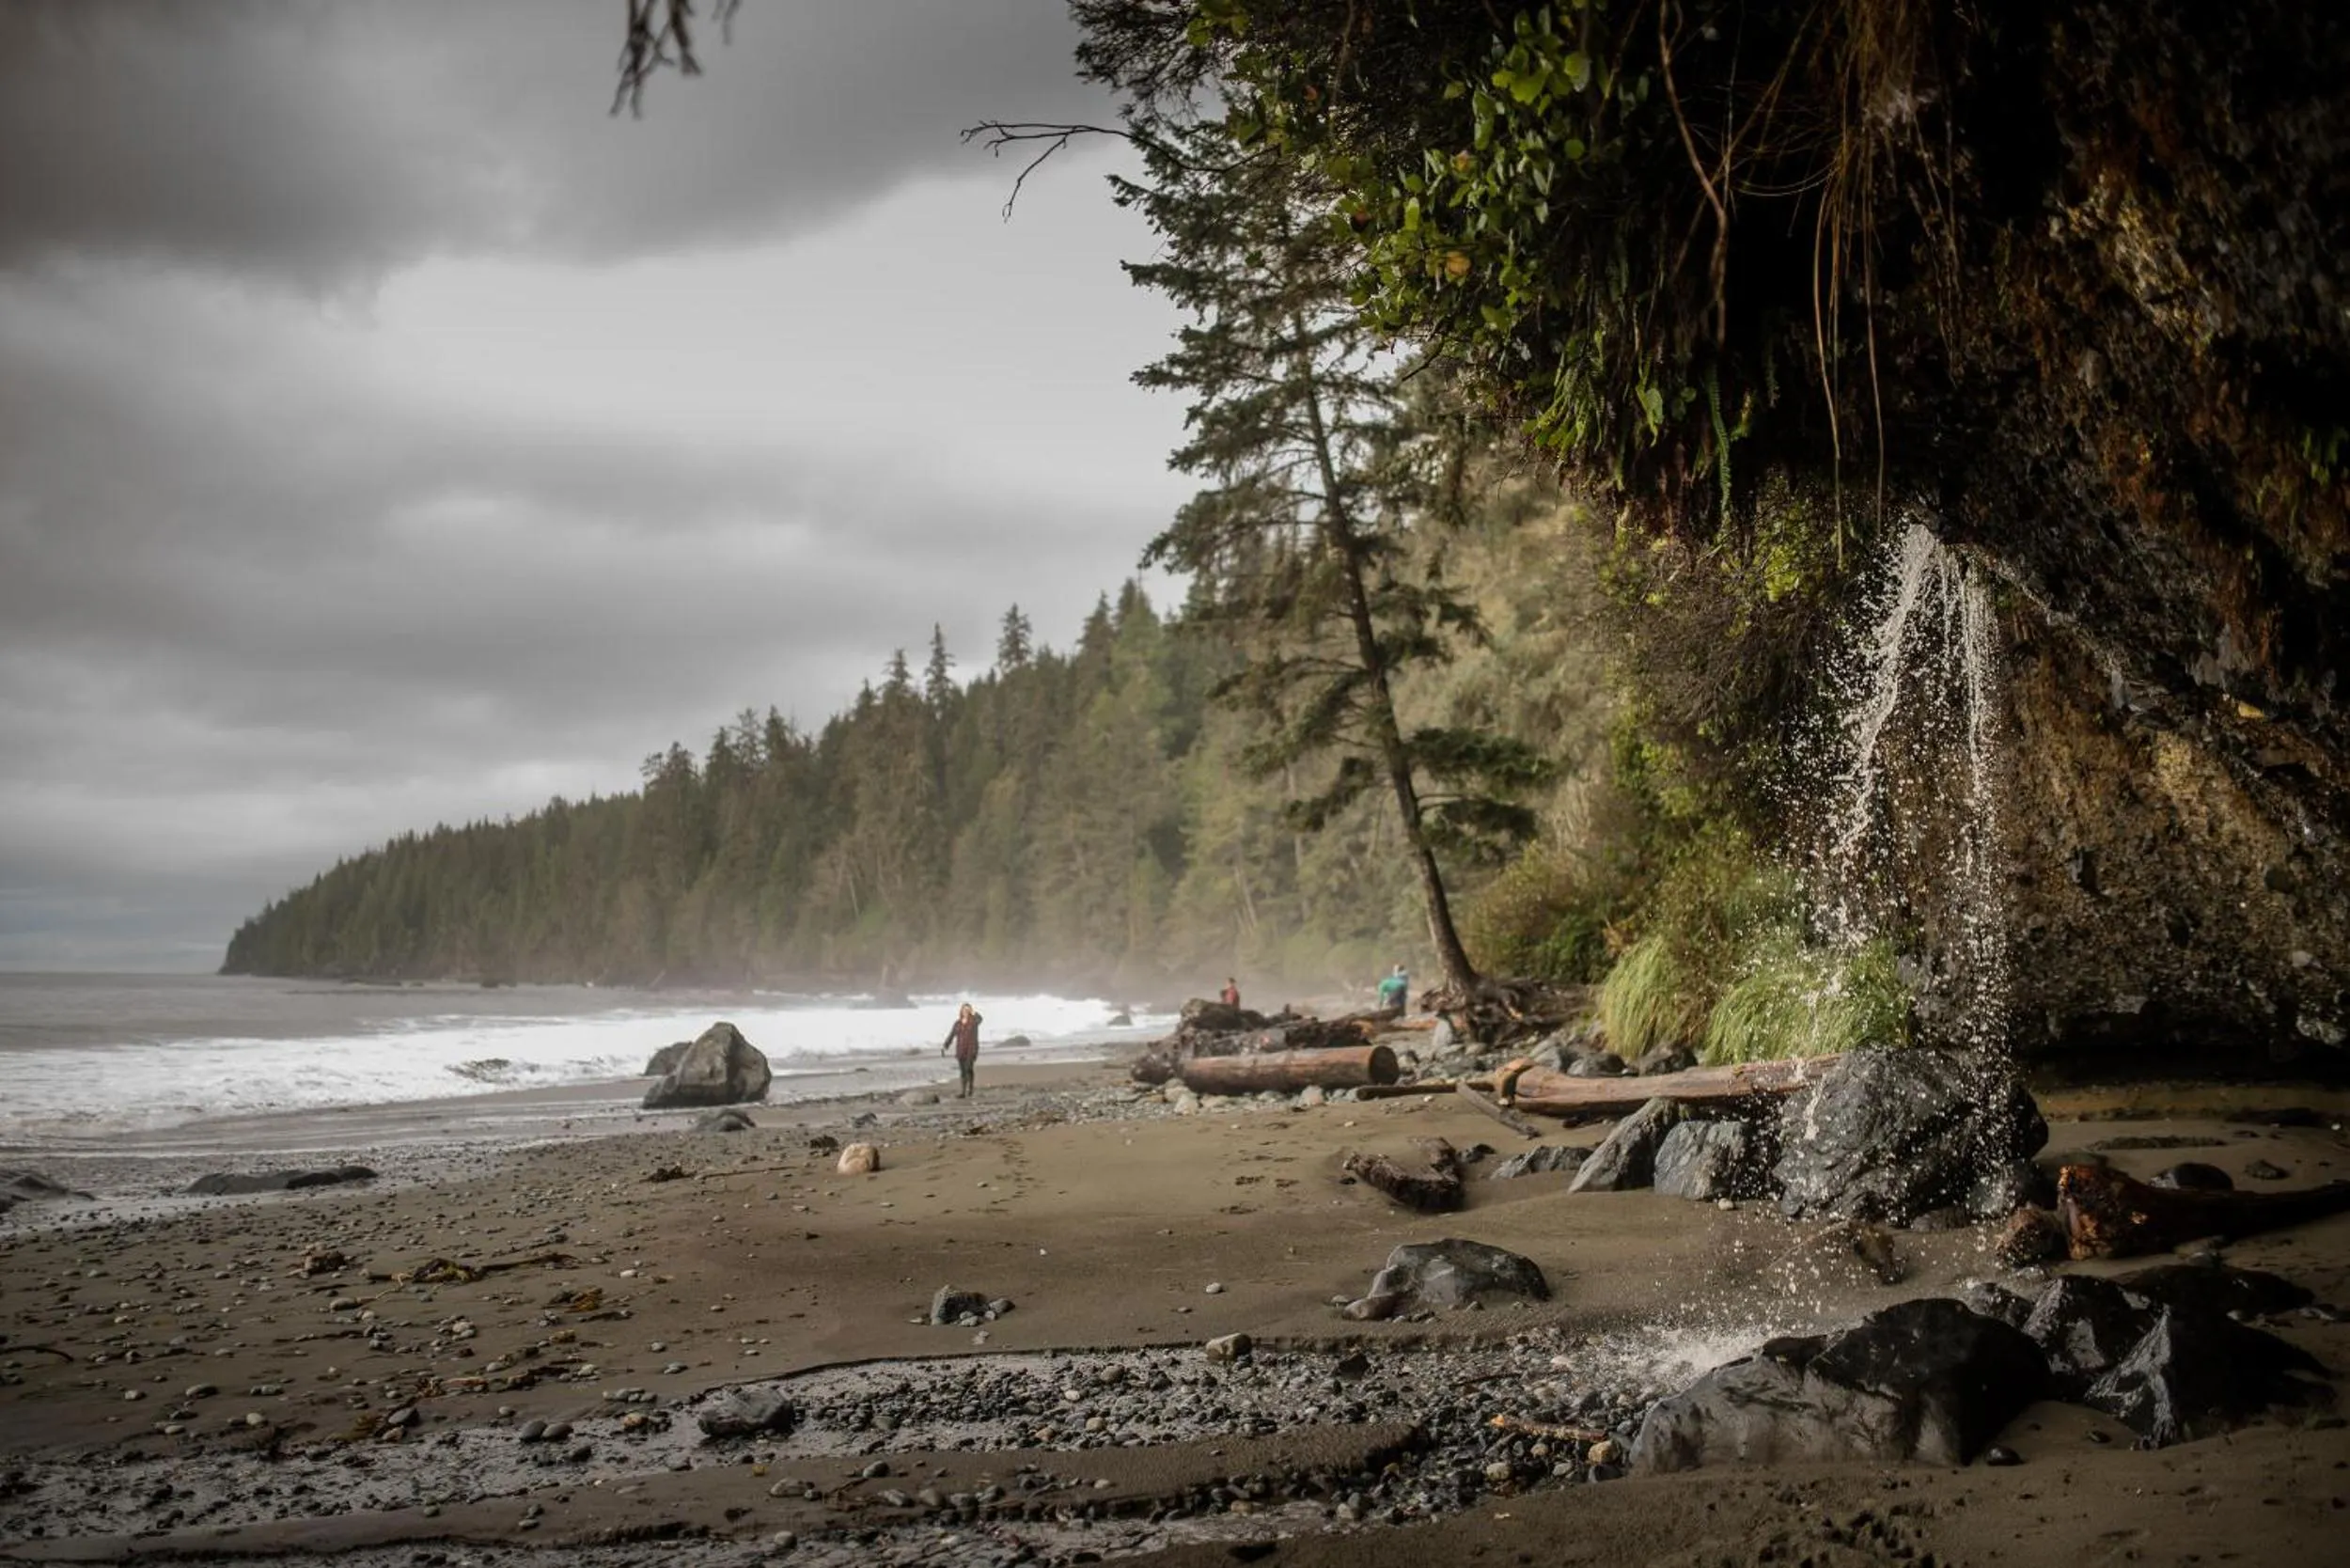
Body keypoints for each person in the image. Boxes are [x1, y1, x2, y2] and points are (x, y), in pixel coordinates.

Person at [941, 1001, 983, 1097]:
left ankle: (970, 1089)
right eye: (964, 1009)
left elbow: (980, 1019)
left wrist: (974, 1012)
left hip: (971, 1049)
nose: (966, 1011)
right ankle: (963, 1092)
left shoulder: (974, 1021)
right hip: (961, 1050)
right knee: (963, 1071)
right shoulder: (957, 1023)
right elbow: (951, 1035)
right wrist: (945, 1046)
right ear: (961, 1011)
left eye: (968, 1010)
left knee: (969, 1068)